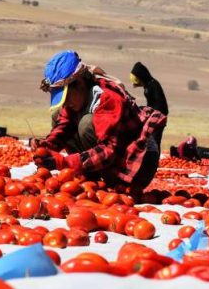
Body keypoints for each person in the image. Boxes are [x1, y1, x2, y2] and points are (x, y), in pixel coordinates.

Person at [32, 50, 166, 193]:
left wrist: (66, 163)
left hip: (138, 163)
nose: (65, 103)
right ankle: (91, 180)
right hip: (114, 156)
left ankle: (112, 182)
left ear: (80, 83)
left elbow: (108, 149)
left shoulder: (107, 98)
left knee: (86, 124)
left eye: (67, 96)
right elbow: (64, 125)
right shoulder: (78, 98)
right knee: (59, 116)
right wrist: (47, 146)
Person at [130, 62, 168, 147]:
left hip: (159, 117)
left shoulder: (153, 85)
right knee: (150, 141)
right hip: (154, 117)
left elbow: (160, 103)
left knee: (155, 140)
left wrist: (152, 114)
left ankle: (155, 159)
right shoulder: (147, 85)